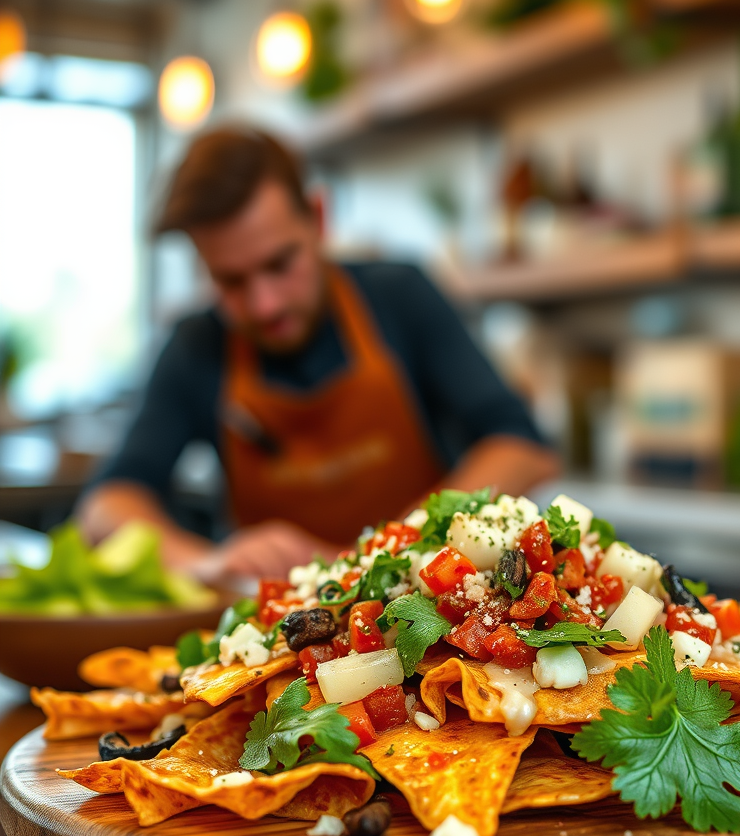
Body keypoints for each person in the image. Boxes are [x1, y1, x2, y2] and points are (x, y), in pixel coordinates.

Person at [79, 127, 558, 581]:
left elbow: (521, 447)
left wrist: (382, 555)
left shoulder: (400, 296)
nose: (264, 304)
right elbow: (106, 506)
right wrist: (205, 563)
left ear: (318, 219)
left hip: (422, 602)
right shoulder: (196, 346)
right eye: (230, 281)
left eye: (279, 263)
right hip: (273, 626)